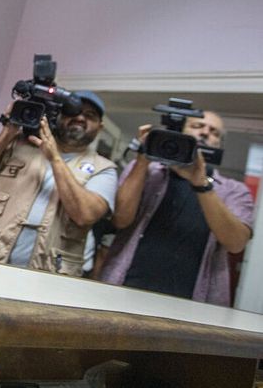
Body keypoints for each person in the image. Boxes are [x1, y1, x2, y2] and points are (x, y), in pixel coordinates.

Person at [100, 111, 254, 305]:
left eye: (214, 132)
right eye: (197, 126)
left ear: (219, 144)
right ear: (179, 132)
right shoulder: (148, 170)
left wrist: (200, 182)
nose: (205, 133)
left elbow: (236, 243)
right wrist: (143, 158)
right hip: (126, 287)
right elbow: (120, 219)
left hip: (191, 302)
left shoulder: (235, 191)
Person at [0, 91, 117, 276]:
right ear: (59, 115)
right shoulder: (18, 144)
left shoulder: (104, 169)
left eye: (90, 116)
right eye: (72, 112)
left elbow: (85, 215)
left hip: (47, 277)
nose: (80, 118)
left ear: (100, 127)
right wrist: (8, 131)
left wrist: (55, 158)